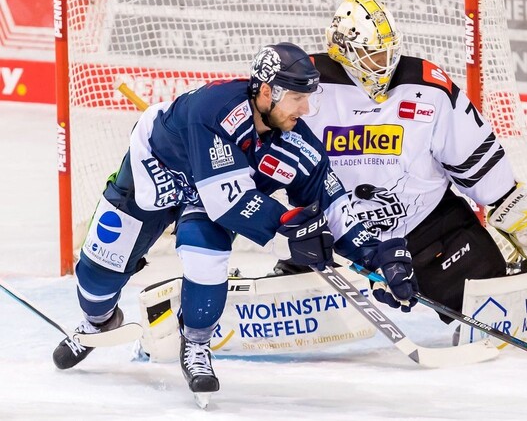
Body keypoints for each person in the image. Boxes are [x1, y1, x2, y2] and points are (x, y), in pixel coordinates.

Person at [52, 42, 418, 395]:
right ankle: (97, 321)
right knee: (99, 271)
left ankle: (196, 344)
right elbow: (228, 201)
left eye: (308, 97)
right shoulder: (213, 110)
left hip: (211, 192)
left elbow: (331, 200)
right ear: (266, 92)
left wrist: (376, 254)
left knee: (205, 254)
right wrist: (293, 229)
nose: (306, 109)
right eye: (296, 97)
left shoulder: (294, 140)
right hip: (157, 170)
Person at [279, 0, 527, 332]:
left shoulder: (426, 86)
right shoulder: (304, 86)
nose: (384, 61)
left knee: (493, 298)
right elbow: (263, 153)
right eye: (372, 53)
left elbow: (470, 150)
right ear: (341, 49)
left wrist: (507, 198)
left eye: (388, 50)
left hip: (426, 227)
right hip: (337, 235)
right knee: (297, 304)